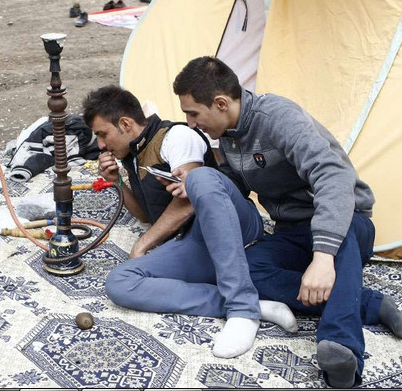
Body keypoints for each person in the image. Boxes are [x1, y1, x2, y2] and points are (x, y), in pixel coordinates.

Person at [170, 56, 402, 387]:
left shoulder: (277, 117)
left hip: (348, 222)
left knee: (341, 244)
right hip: (292, 231)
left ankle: (340, 348)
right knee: (246, 269)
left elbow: (333, 176)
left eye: (193, 113)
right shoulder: (229, 136)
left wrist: (323, 258)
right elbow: (237, 185)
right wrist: (195, 185)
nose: (191, 123)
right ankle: (370, 303)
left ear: (220, 103)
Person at [82, 85, 297, 359]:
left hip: (232, 222)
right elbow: (147, 216)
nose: (100, 145)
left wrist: (142, 244)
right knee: (120, 282)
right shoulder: (133, 154)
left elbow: (190, 202)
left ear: (125, 124)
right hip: (195, 240)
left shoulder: (177, 137)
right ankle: (255, 305)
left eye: (102, 134)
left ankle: (242, 308)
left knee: (200, 179)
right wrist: (117, 182)